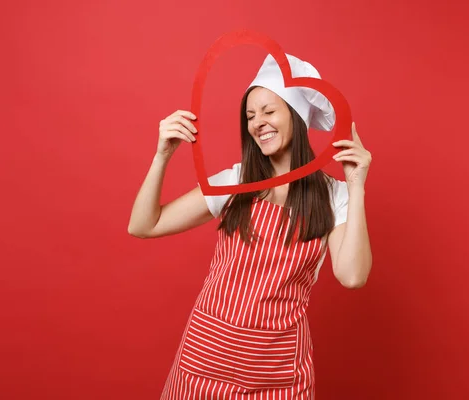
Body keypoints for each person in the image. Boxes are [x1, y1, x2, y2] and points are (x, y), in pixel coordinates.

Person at [128, 53, 373, 399]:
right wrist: (162, 155)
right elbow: (144, 224)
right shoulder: (236, 181)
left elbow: (352, 276)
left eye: (269, 111)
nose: (258, 122)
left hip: (277, 374)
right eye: (250, 115)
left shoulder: (333, 195)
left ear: (297, 117)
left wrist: (356, 185)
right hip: (204, 363)